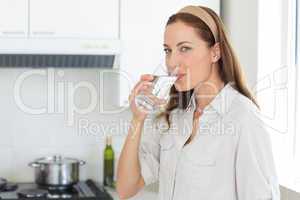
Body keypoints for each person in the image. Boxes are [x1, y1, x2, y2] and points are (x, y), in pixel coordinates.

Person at [116, 5, 280, 200]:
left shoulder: (243, 118)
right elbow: (126, 188)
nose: (172, 62)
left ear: (215, 52)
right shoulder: (175, 117)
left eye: (184, 48)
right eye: (168, 50)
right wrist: (137, 119)